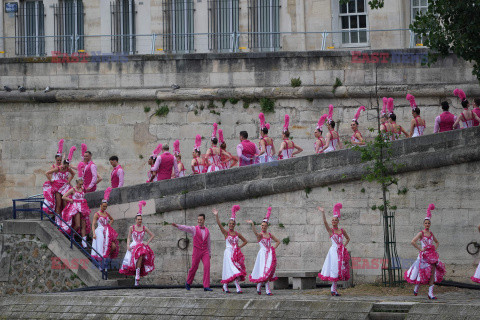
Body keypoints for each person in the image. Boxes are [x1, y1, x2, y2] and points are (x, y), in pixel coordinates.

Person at [404, 204, 446, 299]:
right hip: (423, 256)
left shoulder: (431, 233)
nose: (427, 224)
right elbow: (412, 241)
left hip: (432, 256)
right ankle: (416, 287)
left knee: (432, 272)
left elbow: (437, 242)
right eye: (426, 223)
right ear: (424, 224)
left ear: (430, 224)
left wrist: (434, 248)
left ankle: (430, 293)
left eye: (429, 223)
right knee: (421, 272)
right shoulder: (421, 233)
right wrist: (421, 249)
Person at [172, 214, 213, 291]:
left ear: (204, 220)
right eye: (198, 220)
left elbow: (208, 242)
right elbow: (186, 228)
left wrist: (209, 253)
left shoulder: (207, 230)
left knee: (207, 266)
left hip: (205, 251)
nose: (199, 221)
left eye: (200, 220)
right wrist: (177, 226)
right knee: (194, 267)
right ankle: (188, 282)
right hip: (197, 250)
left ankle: (206, 286)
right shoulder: (194, 229)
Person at [212, 205, 248, 293]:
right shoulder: (226, 233)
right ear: (228, 225)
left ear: (235, 225)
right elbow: (220, 225)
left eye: (233, 224)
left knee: (234, 269)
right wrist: (216, 215)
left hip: (235, 253)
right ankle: (237, 287)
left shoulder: (237, 234)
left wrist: (238, 247)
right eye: (230, 224)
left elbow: (245, 241)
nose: (231, 225)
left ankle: (225, 285)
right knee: (232, 269)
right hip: (228, 252)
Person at [119, 201, 155, 286]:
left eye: (141, 219)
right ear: (136, 220)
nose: (140, 221)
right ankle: (136, 277)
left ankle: (137, 277)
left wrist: (147, 242)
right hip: (134, 245)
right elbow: (128, 237)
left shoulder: (144, 227)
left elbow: (152, 235)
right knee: (133, 262)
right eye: (138, 219)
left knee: (141, 256)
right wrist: (128, 245)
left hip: (141, 245)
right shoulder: (132, 227)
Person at [318, 204, 351, 296]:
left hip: (341, 252)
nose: (333, 221)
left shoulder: (342, 230)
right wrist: (323, 212)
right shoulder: (330, 231)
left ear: (338, 221)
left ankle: (334, 289)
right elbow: (325, 222)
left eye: (335, 220)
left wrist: (343, 246)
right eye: (332, 220)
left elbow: (348, 238)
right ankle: (333, 289)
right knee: (334, 269)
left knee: (339, 269)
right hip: (333, 252)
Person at [247, 207, 280, 296]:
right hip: (262, 254)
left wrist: (273, 248)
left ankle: (260, 287)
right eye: (262, 226)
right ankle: (265, 288)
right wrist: (253, 224)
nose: (263, 227)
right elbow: (255, 233)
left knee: (268, 270)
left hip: (269, 254)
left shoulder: (269, 234)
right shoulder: (260, 235)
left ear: (267, 226)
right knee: (263, 271)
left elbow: (278, 241)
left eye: (265, 226)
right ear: (260, 226)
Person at [43, 145, 76, 216]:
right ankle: (57, 218)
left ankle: (65, 217)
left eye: (60, 160)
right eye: (58, 160)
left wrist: (69, 181)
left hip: (65, 186)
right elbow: (49, 174)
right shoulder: (56, 167)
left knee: (65, 202)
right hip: (57, 186)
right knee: (58, 202)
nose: (59, 161)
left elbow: (73, 173)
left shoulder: (65, 167)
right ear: (55, 159)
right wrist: (51, 180)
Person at [61, 175, 91, 248]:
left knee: (83, 225)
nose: (81, 185)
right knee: (78, 225)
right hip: (76, 207)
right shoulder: (73, 189)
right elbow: (63, 196)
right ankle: (71, 235)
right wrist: (70, 200)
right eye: (80, 184)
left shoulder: (82, 189)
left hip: (83, 207)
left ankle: (84, 242)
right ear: (77, 183)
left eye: (82, 184)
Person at [91, 187, 119, 261]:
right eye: (103, 206)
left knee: (112, 246)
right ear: (100, 205)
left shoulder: (106, 213)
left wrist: (109, 225)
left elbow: (112, 219)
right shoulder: (97, 214)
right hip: (99, 231)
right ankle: (101, 263)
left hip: (107, 231)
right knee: (100, 247)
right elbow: (93, 224)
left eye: (106, 206)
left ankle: (105, 258)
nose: (105, 208)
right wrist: (94, 233)